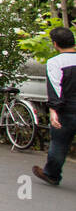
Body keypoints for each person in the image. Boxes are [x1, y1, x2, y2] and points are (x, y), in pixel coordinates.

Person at [34, 26, 76, 187]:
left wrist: (53, 111)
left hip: (66, 109)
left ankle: (51, 174)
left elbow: (55, 89)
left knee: (59, 143)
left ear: (55, 44)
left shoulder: (55, 63)